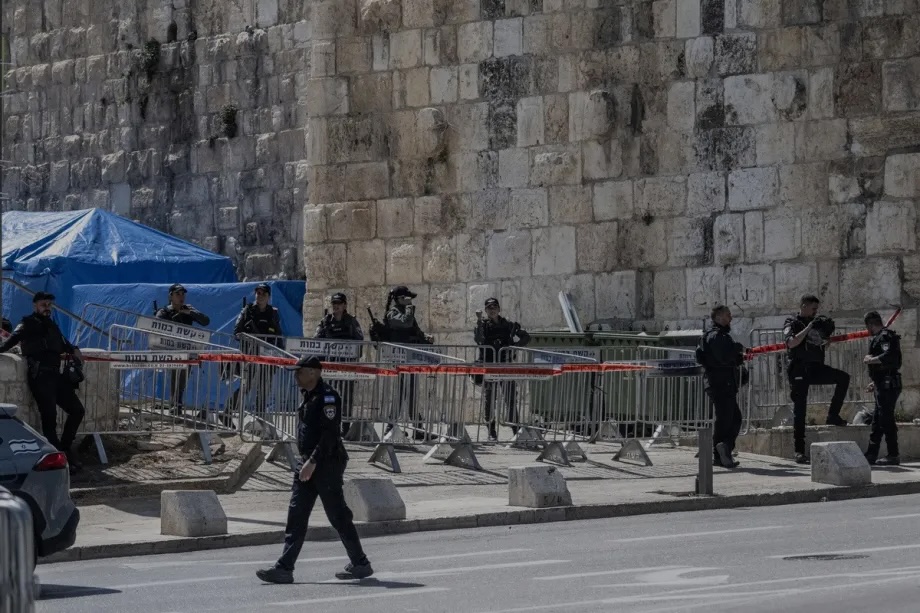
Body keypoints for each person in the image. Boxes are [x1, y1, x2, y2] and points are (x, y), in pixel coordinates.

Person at [256, 355, 373, 584]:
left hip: (326, 463)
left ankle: (360, 563)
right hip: (307, 462)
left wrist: (313, 462)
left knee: (338, 516)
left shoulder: (328, 397)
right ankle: (284, 567)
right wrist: (306, 462)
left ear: (314, 372)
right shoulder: (308, 396)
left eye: (300, 371)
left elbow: (330, 435)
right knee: (296, 514)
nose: (296, 375)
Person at [0, 292, 86, 473]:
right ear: (35, 306)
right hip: (40, 376)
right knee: (50, 418)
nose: (47, 307)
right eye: (43, 304)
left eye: (49, 304)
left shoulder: (53, 326)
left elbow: (65, 344)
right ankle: (59, 458)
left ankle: (65, 448)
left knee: (77, 410)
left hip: (57, 376)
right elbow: (8, 342)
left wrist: (75, 350)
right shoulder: (27, 323)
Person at [783, 294, 850, 465]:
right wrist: (809, 327)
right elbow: (791, 343)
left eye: (816, 310)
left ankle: (833, 415)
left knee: (843, 378)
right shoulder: (792, 322)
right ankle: (799, 450)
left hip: (816, 367)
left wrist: (825, 337)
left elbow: (821, 343)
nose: (815, 312)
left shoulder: (816, 322)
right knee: (800, 409)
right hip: (799, 369)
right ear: (804, 306)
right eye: (813, 309)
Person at [473, 298, 530, 441]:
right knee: (489, 400)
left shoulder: (508, 325)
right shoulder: (483, 326)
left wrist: (514, 347)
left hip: (505, 366)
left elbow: (526, 337)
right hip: (489, 366)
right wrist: (479, 321)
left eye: (494, 307)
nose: (492, 310)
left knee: (510, 399)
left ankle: (516, 431)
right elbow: (479, 340)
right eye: (489, 308)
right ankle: (491, 432)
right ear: (486, 310)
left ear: (499, 309)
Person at [696, 304, 745, 469]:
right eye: (727, 315)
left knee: (733, 418)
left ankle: (723, 451)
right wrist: (735, 350)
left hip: (723, 382)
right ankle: (720, 451)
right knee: (726, 419)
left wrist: (740, 357)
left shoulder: (720, 335)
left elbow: (727, 359)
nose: (730, 318)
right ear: (718, 317)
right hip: (720, 383)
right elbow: (723, 358)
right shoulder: (716, 336)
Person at [384, 286, 432, 441]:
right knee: (402, 393)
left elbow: (414, 330)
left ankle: (417, 428)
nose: (410, 300)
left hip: (411, 358)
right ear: (399, 299)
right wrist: (410, 308)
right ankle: (391, 427)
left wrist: (426, 337)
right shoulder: (393, 313)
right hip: (400, 359)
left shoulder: (406, 312)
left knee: (410, 392)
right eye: (406, 298)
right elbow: (406, 323)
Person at [155, 283, 211, 413]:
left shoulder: (188, 309)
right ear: (171, 296)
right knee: (177, 373)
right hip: (170, 350)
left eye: (183, 294)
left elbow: (205, 321)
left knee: (182, 377)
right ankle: (176, 404)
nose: (181, 297)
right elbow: (157, 325)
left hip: (187, 350)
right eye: (178, 294)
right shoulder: (164, 311)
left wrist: (190, 312)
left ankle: (177, 403)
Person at [314, 292, 364, 437]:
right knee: (328, 395)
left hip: (346, 366)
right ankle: (329, 423)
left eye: (338, 304)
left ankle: (345, 425)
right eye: (334, 304)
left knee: (347, 396)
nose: (335, 307)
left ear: (344, 305)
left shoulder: (351, 321)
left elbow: (360, 340)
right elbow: (317, 339)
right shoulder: (326, 321)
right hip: (330, 366)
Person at [230, 283, 283, 418]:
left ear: (268, 297)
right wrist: (249, 337)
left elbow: (278, 334)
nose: (260, 296)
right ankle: (228, 410)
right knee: (246, 385)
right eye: (258, 293)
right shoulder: (248, 310)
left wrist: (279, 352)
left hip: (267, 355)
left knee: (264, 386)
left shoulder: (273, 312)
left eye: (263, 294)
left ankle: (260, 415)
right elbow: (236, 331)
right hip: (250, 354)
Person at [862, 311, 902, 466]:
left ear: (871, 324)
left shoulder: (886, 336)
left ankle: (893, 454)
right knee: (877, 421)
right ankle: (871, 455)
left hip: (888, 385)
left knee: (886, 420)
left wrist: (871, 360)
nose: (867, 330)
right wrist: (875, 382)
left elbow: (891, 357)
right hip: (883, 383)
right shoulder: (880, 337)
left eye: (868, 326)